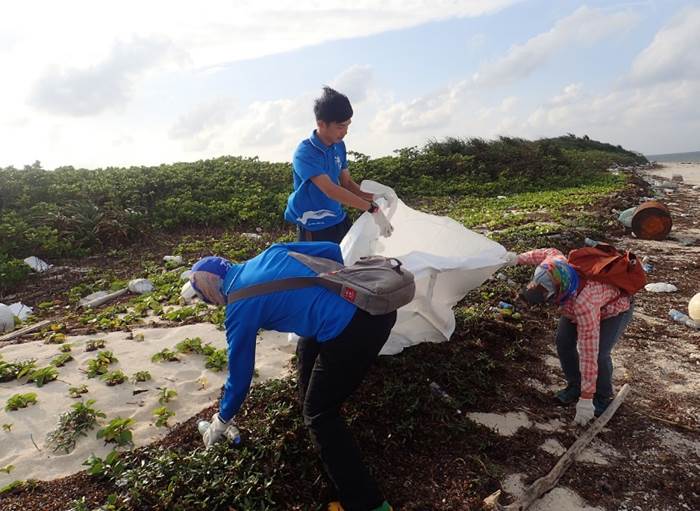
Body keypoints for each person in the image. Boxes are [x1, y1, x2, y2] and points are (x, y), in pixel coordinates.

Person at [189, 242, 396, 511]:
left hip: (357, 329)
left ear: (209, 290)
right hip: (369, 301)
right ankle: (320, 444)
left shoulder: (239, 307)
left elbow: (239, 377)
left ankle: (368, 504)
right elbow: (332, 249)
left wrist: (222, 418)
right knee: (307, 350)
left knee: (321, 415)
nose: (208, 303)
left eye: (203, 297)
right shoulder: (269, 253)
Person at [511, 248, 634, 425]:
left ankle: (602, 396)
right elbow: (547, 252)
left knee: (600, 353)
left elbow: (588, 352)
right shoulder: (556, 265)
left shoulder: (585, 302)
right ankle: (575, 385)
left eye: (546, 296)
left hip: (614, 310)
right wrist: (515, 258)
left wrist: (586, 399)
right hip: (572, 305)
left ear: (558, 290)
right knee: (563, 342)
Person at [284, 86, 395, 244]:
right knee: (321, 268)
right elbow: (330, 190)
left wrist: (376, 197)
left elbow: (347, 183)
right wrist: (371, 208)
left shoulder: (339, 146)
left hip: (338, 218)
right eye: (340, 127)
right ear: (321, 124)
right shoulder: (305, 153)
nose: (345, 132)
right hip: (314, 227)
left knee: (350, 263)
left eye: (348, 125)